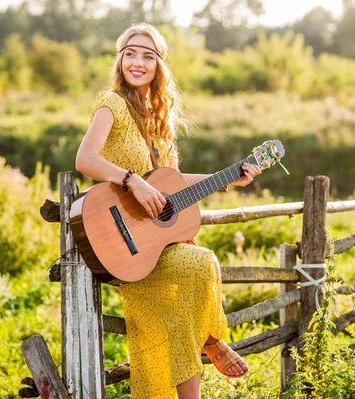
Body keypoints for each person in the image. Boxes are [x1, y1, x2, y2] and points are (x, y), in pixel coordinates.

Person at [75, 22, 261, 399]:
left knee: (187, 299)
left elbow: (171, 183)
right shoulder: (110, 104)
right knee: (201, 264)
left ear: (160, 64)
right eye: (130, 54)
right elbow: (85, 159)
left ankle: (204, 348)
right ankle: (212, 339)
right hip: (121, 242)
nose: (137, 63)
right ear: (120, 59)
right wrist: (132, 180)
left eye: (147, 56)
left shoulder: (160, 121)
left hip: (150, 246)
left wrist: (225, 178)